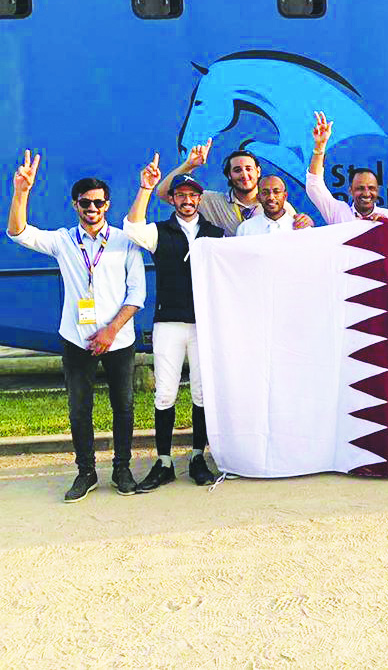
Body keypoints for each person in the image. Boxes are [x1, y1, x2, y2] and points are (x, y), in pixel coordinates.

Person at [7, 151, 146, 502]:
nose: (92, 209)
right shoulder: (63, 241)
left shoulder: (125, 241)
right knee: (79, 408)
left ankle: (122, 468)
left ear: (108, 205)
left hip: (118, 340)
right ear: (75, 205)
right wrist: (21, 192)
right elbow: (18, 232)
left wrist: (111, 330)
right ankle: (86, 472)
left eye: (98, 203)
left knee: (124, 406)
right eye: (85, 203)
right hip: (76, 338)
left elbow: (137, 294)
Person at [124, 155, 224, 490]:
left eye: (192, 196)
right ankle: (164, 461)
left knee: (201, 393)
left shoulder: (215, 233)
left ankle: (197, 456)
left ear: (199, 199)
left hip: (203, 324)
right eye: (180, 195)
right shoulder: (160, 231)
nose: (186, 200)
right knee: (164, 394)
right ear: (173, 199)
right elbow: (132, 228)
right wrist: (145, 189)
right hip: (168, 322)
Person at [155, 140, 312, 235]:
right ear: (229, 175)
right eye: (237, 170)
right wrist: (189, 165)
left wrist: (306, 223)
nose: (244, 174)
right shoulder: (211, 201)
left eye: (249, 169)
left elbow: (299, 236)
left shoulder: (279, 205)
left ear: (258, 172)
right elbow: (163, 193)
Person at [307, 111, 388, 223]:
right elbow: (314, 184)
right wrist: (320, 145)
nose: (366, 193)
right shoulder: (338, 212)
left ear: (378, 191)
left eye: (371, 188)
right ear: (350, 191)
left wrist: (387, 225)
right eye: (360, 188)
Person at [237, 176, 306, 235]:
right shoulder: (245, 229)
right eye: (265, 193)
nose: (271, 197)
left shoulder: (301, 227)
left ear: (285, 196)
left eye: (276, 192)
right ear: (258, 198)